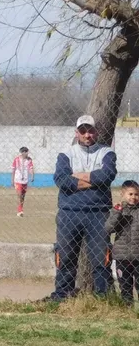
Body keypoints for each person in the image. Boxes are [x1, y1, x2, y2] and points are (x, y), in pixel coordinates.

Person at [51, 114, 117, 300]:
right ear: (76, 133)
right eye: (83, 131)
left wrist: (79, 177)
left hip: (99, 213)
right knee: (65, 257)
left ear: (96, 132)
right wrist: (93, 180)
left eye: (90, 130)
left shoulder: (107, 152)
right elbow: (62, 180)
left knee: (101, 259)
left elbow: (107, 175)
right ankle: (62, 295)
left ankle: (102, 298)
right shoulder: (66, 154)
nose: (87, 135)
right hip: (69, 213)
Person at [105, 180, 139, 306]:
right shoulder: (118, 211)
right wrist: (117, 213)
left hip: (138, 256)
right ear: (123, 194)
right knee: (125, 285)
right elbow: (108, 229)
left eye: (136, 194)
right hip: (122, 257)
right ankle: (127, 308)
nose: (134, 197)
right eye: (130, 194)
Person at [12, 146, 34, 217]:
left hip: (25, 180)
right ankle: (19, 210)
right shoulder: (16, 159)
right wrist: (12, 180)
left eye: (27, 152)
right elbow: (13, 170)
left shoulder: (29, 160)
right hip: (17, 180)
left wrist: (32, 176)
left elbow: (31, 168)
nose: (27, 153)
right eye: (26, 152)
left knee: (23, 196)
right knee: (19, 194)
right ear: (23, 152)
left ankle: (21, 208)